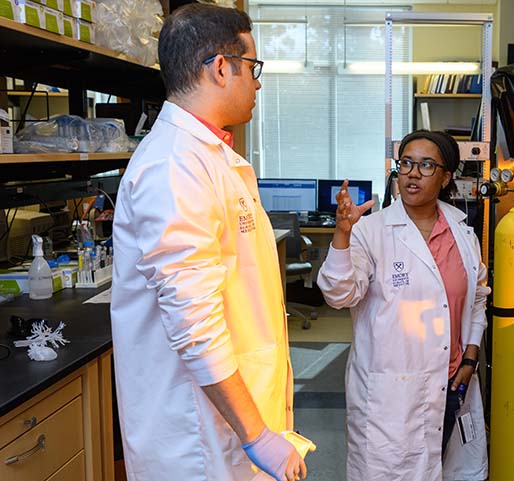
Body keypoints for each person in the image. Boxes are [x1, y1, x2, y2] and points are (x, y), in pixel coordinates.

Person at [110, 5, 305, 481]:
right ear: (221, 67)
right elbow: (194, 324)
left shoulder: (214, 157)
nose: (258, 83)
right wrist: (257, 435)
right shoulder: (174, 166)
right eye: (253, 68)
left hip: (232, 423)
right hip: (197, 446)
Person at [317, 130, 490, 481]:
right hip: (392, 396)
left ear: (445, 178)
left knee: (445, 468)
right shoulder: (372, 231)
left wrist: (470, 358)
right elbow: (339, 294)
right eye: (406, 163)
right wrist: (342, 235)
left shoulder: (462, 231)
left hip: (452, 384)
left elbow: (476, 299)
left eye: (427, 165)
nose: (413, 173)